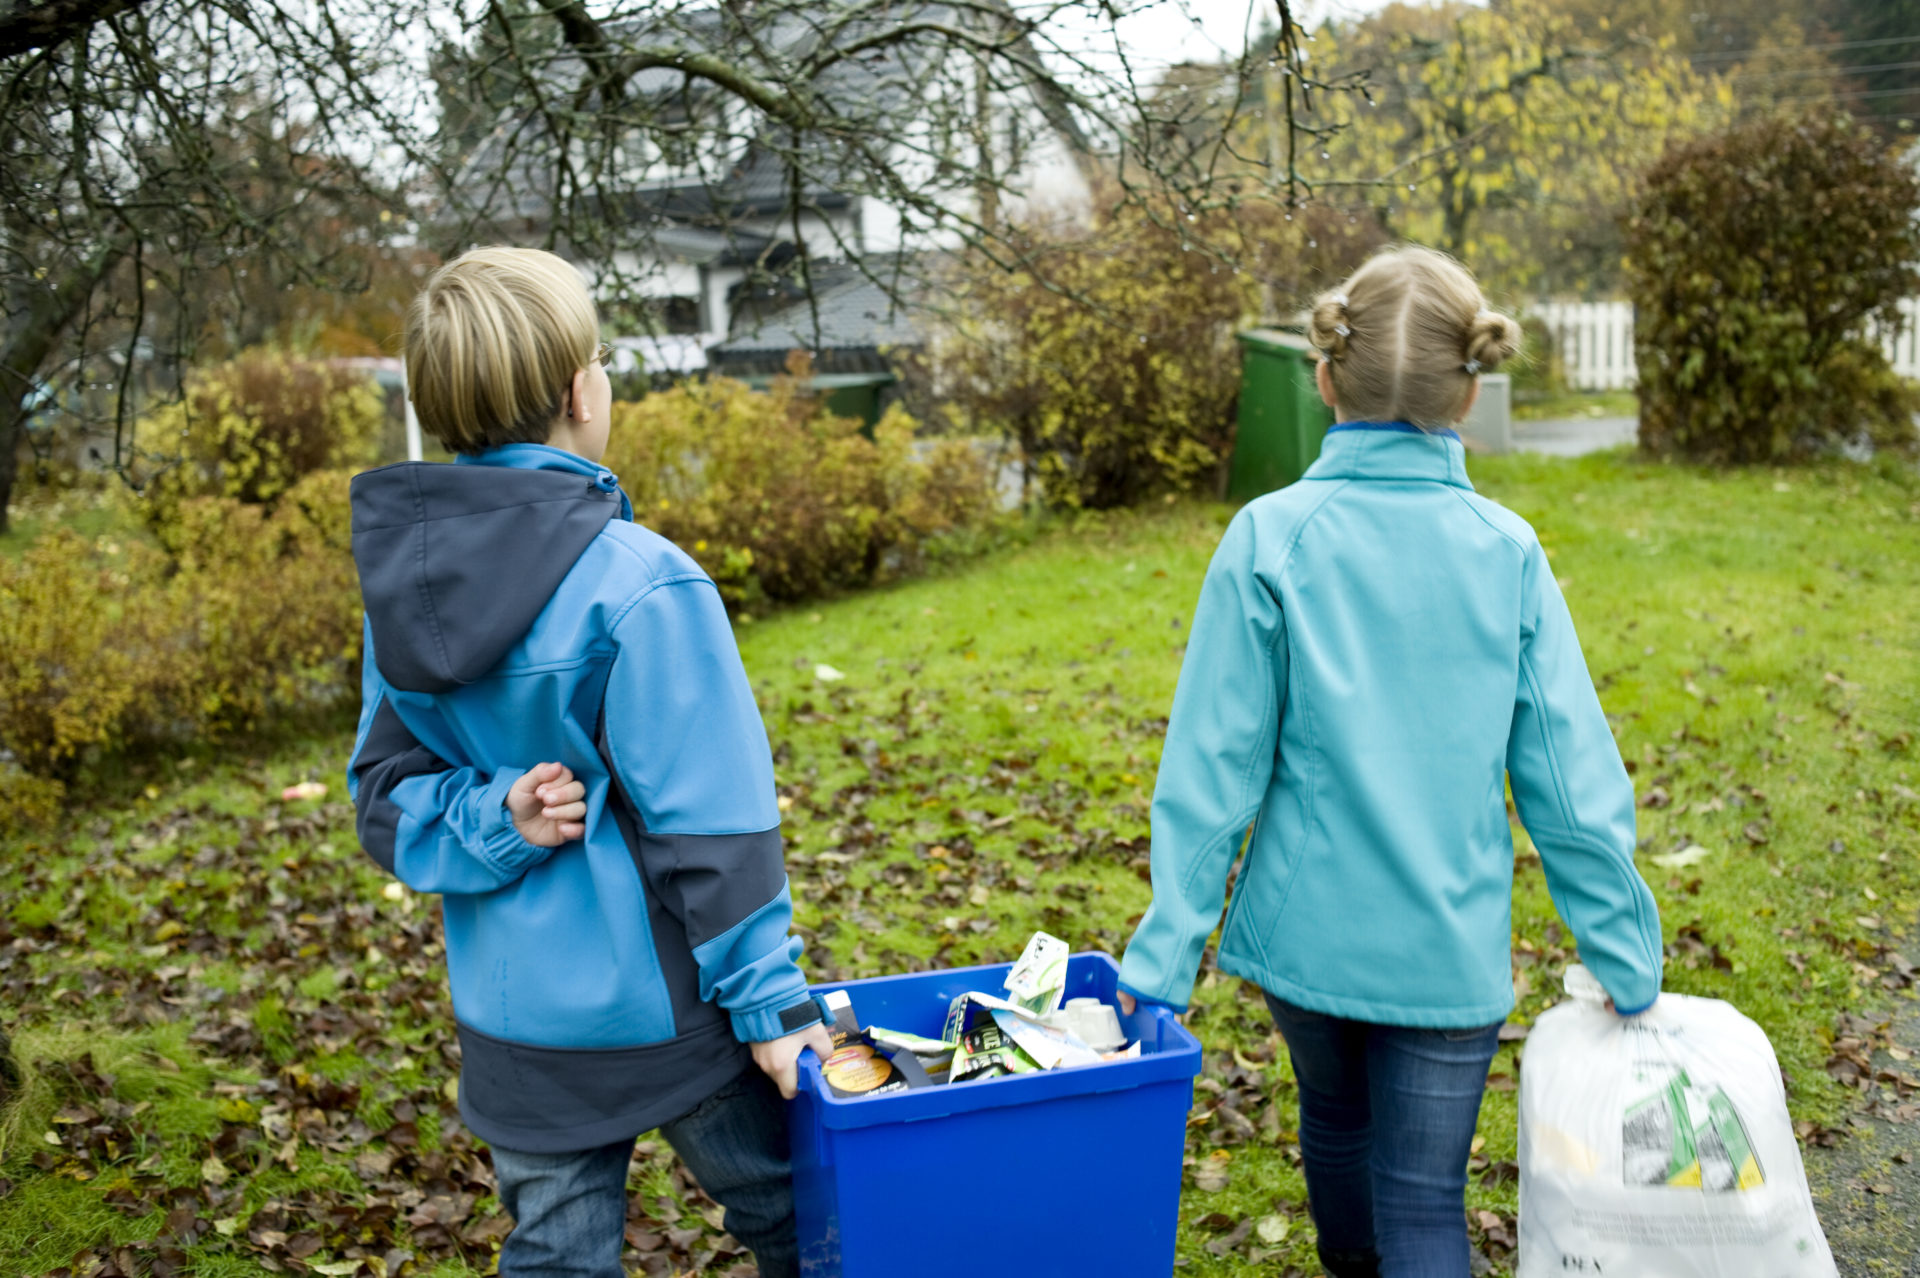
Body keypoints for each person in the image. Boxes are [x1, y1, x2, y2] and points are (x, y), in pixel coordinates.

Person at [1114, 246, 1663, 1278]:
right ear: (1470, 390)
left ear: (1325, 377)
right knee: (1423, 1204)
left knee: (1333, 1124)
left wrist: (1165, 954)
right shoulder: (1506, 551)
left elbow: (1213, 771)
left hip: (1304, 945)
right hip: (1446, 951)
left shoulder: (1269, 539)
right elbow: (1569, 780)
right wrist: (1626, 953)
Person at [345, 247, 832, 1278]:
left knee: (556, 1260)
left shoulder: (404, 597)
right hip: (678, 1022)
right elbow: (716, 826)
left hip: (515, 1029)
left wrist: (490, 818)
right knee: (801, 1222)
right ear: (582, 391)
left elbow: (381, 802)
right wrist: (775, 1009)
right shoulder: (642, 584)